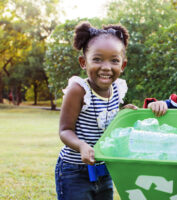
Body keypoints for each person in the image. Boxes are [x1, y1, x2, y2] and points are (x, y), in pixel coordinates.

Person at [55, 21, 137, 200]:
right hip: (74, 171)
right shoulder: (78, 90)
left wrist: (124, 113)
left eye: (114, 60)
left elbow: (107, 120)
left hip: (103, 168)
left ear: (122, 65)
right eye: (97, 59)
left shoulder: (118, 89)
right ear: (84, 62)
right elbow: (65, 130)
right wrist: (81, 146)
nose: (106, 67)